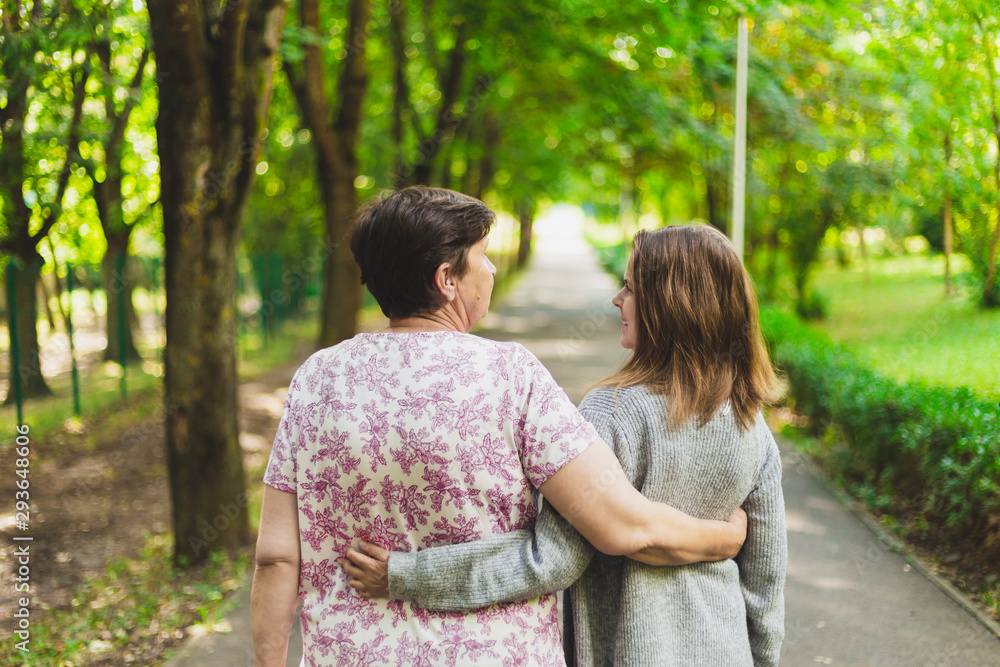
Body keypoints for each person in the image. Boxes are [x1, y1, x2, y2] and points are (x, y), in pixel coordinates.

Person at [251, 188, 749, 667]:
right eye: (483, 256)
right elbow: (621, 525)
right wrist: (720, 540)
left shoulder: (316, 379)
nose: (490, 270)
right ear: (448, 278)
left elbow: (275, 558)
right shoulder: (512, 376)